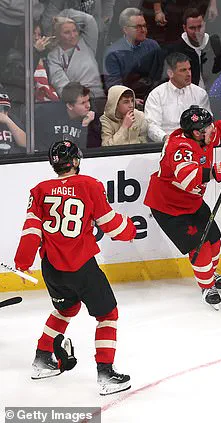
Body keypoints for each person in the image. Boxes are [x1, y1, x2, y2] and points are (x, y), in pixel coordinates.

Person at [14, 139, 137, 395]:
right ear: (77, 161)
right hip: (81, 267)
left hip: (52, 268)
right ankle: (106, 375)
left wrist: (22, 264)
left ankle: (41, 360)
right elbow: (109, 223)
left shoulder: (39, 190)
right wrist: (129, 229)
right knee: (107, 315)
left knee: (66, 308)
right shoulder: (89, 185)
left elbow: (31, 231)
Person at [143, 104, 221, 309]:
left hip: (191, 202)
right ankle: (207, 286)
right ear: (196, 132)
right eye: (208, 127)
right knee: (199, 246)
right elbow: (189, 178)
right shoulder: (179, 148)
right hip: (169, 207)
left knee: (215, 239)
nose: (213, 129)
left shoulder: (203, 137)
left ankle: (210, 273)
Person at [144, 52, 210, 143]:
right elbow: (151, 126)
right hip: (167, 144)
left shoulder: (200, 93)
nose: (189, 74)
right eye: (183, 70)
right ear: (170, 73)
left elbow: (208, 123)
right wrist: (167, 139)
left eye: (189, 69)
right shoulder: (156, 95)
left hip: (196, 144)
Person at [103, 7, 162, 102]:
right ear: (125, 30)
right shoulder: (113, 53)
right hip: (127, 101)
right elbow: (114, 87)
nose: (143, 30)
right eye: (138, 27)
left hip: (153, 96)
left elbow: (160, 75)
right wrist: (131, 100)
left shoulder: (153, 46)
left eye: (144, 26)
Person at [47, 9, 105, 101]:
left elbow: (89, 20)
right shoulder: (53, 56)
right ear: (57, 35)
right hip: (77, 101)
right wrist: (80, 101)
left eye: (74, 30)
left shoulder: (86, 41)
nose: (73, 35)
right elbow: (62, 86)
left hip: (99, 97)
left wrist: (63, 15)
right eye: (67, 32)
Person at [34, 82, 96, 151]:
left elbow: (86, 152)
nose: (88, 106)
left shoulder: (92, 120)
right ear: (70, 106)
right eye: (83, 103)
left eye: (88, 101)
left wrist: (84, 126)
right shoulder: (49, 117)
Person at [163, 8, 214, 89]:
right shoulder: (175, 50)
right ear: (184, 28)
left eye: (200, 27)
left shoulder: (214, 44)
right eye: (192, 28)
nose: (197, 32)